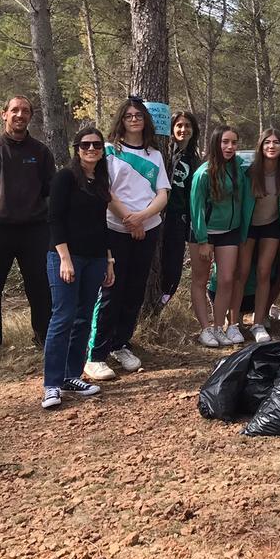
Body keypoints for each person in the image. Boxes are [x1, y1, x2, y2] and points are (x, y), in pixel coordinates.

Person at [0, 95, 56, 373]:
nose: (20, 115)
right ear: (3, 114)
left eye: (25, 111)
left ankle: (44, 339)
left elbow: (50, 193)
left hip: (34, 231)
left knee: (41, 289)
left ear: (31, 116)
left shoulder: (40, 152)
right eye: (14, 110)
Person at [85, 97, 169, 381]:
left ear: (145, 120)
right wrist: (128, 219)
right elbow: (105, 190)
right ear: (121, 120)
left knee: (134, 290)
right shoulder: (109, 151)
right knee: (110, 290)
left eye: (139, 115)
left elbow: (163, 194)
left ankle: (120, 343)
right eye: (129, 115)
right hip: (116, 229)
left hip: (147, 228)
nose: (134, 119)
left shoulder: (154, 154)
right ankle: (95, 354)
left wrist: (142, 218)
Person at [42, 126, 114, 409]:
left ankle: (72, 376)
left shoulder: (100, 181)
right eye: (86, 145)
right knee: (63, 318)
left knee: (84, 318)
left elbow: (102, 224)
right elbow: (54, 220)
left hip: (95, 259)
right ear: (77, 148)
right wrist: (65, 259)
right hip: (66, 259)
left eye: (97, 145)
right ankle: (51, 384)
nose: (92, 149)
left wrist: (109, 261)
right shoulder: (64, 178)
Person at [189, 125, 252, 349]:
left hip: (230, 232)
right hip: (204, 234)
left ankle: (219, 326)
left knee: (227, 279)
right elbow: (196, 208)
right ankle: (205, 329)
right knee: (200, 279)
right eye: (225, 142)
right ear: (216, 143)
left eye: (234, 142)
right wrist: (203, 240)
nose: (230, 147)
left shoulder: (238, 168)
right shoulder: (203, 173)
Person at [232, 128, 280, 344]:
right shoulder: (249, 169)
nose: (272, 146)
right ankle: (234, 322)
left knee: (265, 273)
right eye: (267, 142)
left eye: (276, 142)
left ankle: (258, 322)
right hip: (249, 226)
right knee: (242, 272)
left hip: (271, 226)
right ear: (261, 146)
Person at [159, 111, 201, 305]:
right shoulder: (163, 154)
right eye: (179, 125)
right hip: (156, 216)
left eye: (187, 126)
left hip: (179, 219)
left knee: (173, 266)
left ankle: (162, 301)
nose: (183, 129)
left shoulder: (194, 160)